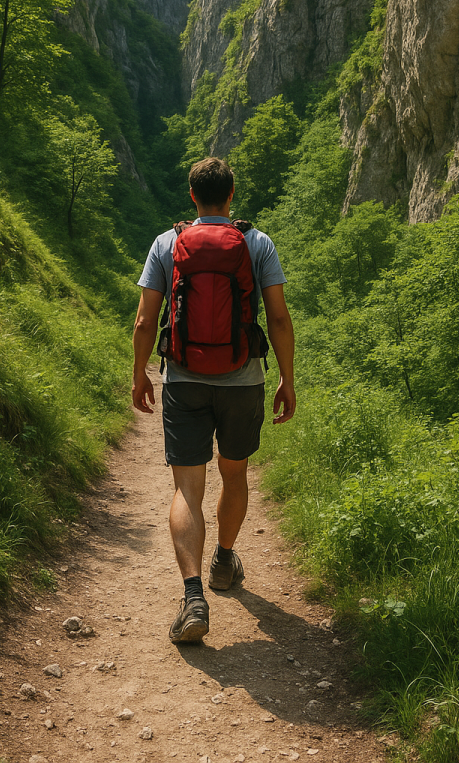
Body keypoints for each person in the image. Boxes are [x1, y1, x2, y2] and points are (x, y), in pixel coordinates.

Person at [132, 156, 296, 644]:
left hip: (182, 379)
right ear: (231, 196)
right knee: (235, 472)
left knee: (187, 488)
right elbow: (280, 319)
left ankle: (193, 596)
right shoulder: (256, 242)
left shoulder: (167, 243)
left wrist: (140, 373)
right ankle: (224, 560)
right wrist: (286, 378)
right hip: (244, 378)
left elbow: (145, 321)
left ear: (191, 196)